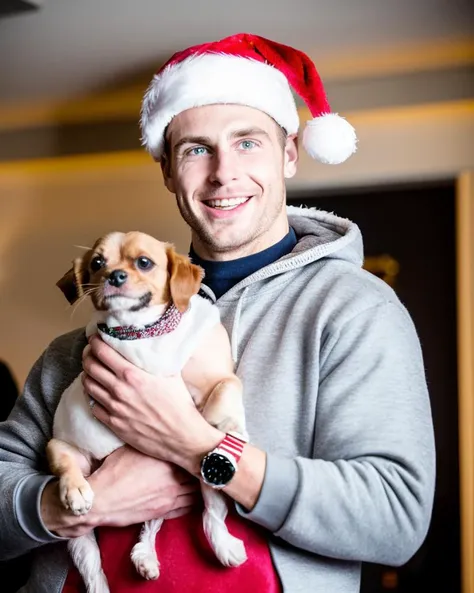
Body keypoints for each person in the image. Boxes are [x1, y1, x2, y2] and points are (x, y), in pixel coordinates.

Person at [0, 33, 435, 593]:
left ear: (289, 153)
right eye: (196, 149)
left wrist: (196, 445)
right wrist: (73, 507)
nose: (223, 173)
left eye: (248, 142)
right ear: (167, 171)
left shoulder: (354, 310)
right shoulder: (83, 344)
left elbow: (395, 519)